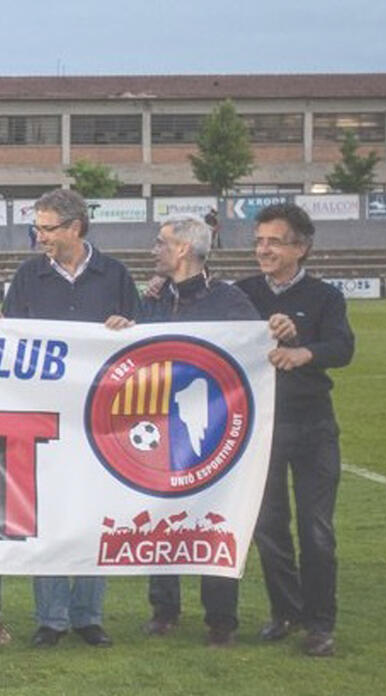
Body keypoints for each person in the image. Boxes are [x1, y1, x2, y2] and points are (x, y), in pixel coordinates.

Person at [0, 188, 140, 649]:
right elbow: (11, 343)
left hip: (101, 420)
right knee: (50, 516)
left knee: (96, 515)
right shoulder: (29, 276)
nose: (39, 237)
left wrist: (127, 330)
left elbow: (142, 341)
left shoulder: (115, 275)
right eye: (36, 228)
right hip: (45, 418)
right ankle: (51, 618)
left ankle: (88, 615)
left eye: (46, 228)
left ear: (75, 227)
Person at [118, 215, 260, 647]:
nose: (153, 250)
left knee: (215, 518)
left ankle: (221, 618)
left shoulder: (229, 301)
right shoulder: (154, 299)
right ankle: (164, 609)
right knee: (160, 514)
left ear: (183, 249)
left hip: (213, 429)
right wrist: (121, 332)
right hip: (159, 426)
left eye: (161, 243)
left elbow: (255, 352)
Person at [237, 202, 354, 658]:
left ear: (301, 248)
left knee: (316, 529)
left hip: (312, 425)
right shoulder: (242, 294)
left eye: (274, 242)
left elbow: (342, 347)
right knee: (269, 527)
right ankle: (286, 612)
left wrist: (303, 350)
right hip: (260, 427)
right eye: (259, 241)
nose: (263, 249)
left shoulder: (325, 297)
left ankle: (320, 624)